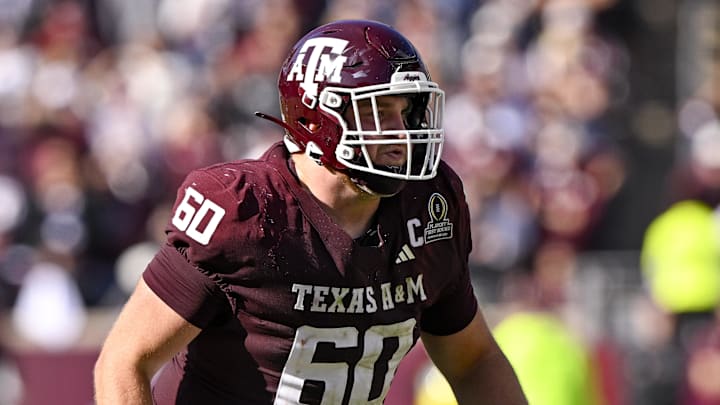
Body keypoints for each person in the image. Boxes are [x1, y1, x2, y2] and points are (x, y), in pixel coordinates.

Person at [93, 19, 527, 405]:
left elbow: (472, 360)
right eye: (378, 112)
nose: (401, 135)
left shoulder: (428, 207)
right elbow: (125, 360)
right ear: (318, 119)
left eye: (407, 112)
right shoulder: (245, 212)